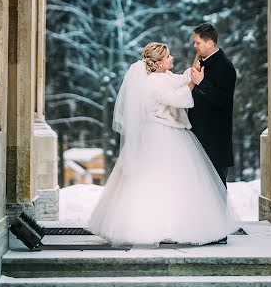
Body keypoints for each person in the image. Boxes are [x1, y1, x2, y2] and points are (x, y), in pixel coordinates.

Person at [85, 42, 239, 246]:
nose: (172, 58)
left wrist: (194, 69)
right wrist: (193, 85)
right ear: (157, 62)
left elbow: (179, 79)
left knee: (170, 180)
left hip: (168, 130)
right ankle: (154, 226)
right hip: (159, 133)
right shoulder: (154, 83)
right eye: (168, 56)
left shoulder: (163, 77)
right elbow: (178, 99)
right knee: (161, 179)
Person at [189, 23, 237, 187]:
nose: (195, 46)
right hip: (199, 137)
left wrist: (202, 83)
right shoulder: (202, 62)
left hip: (215, 142)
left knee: (216, 188)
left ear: (210, 43)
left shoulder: (225, 66)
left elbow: (223, 101)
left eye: (197, 42)